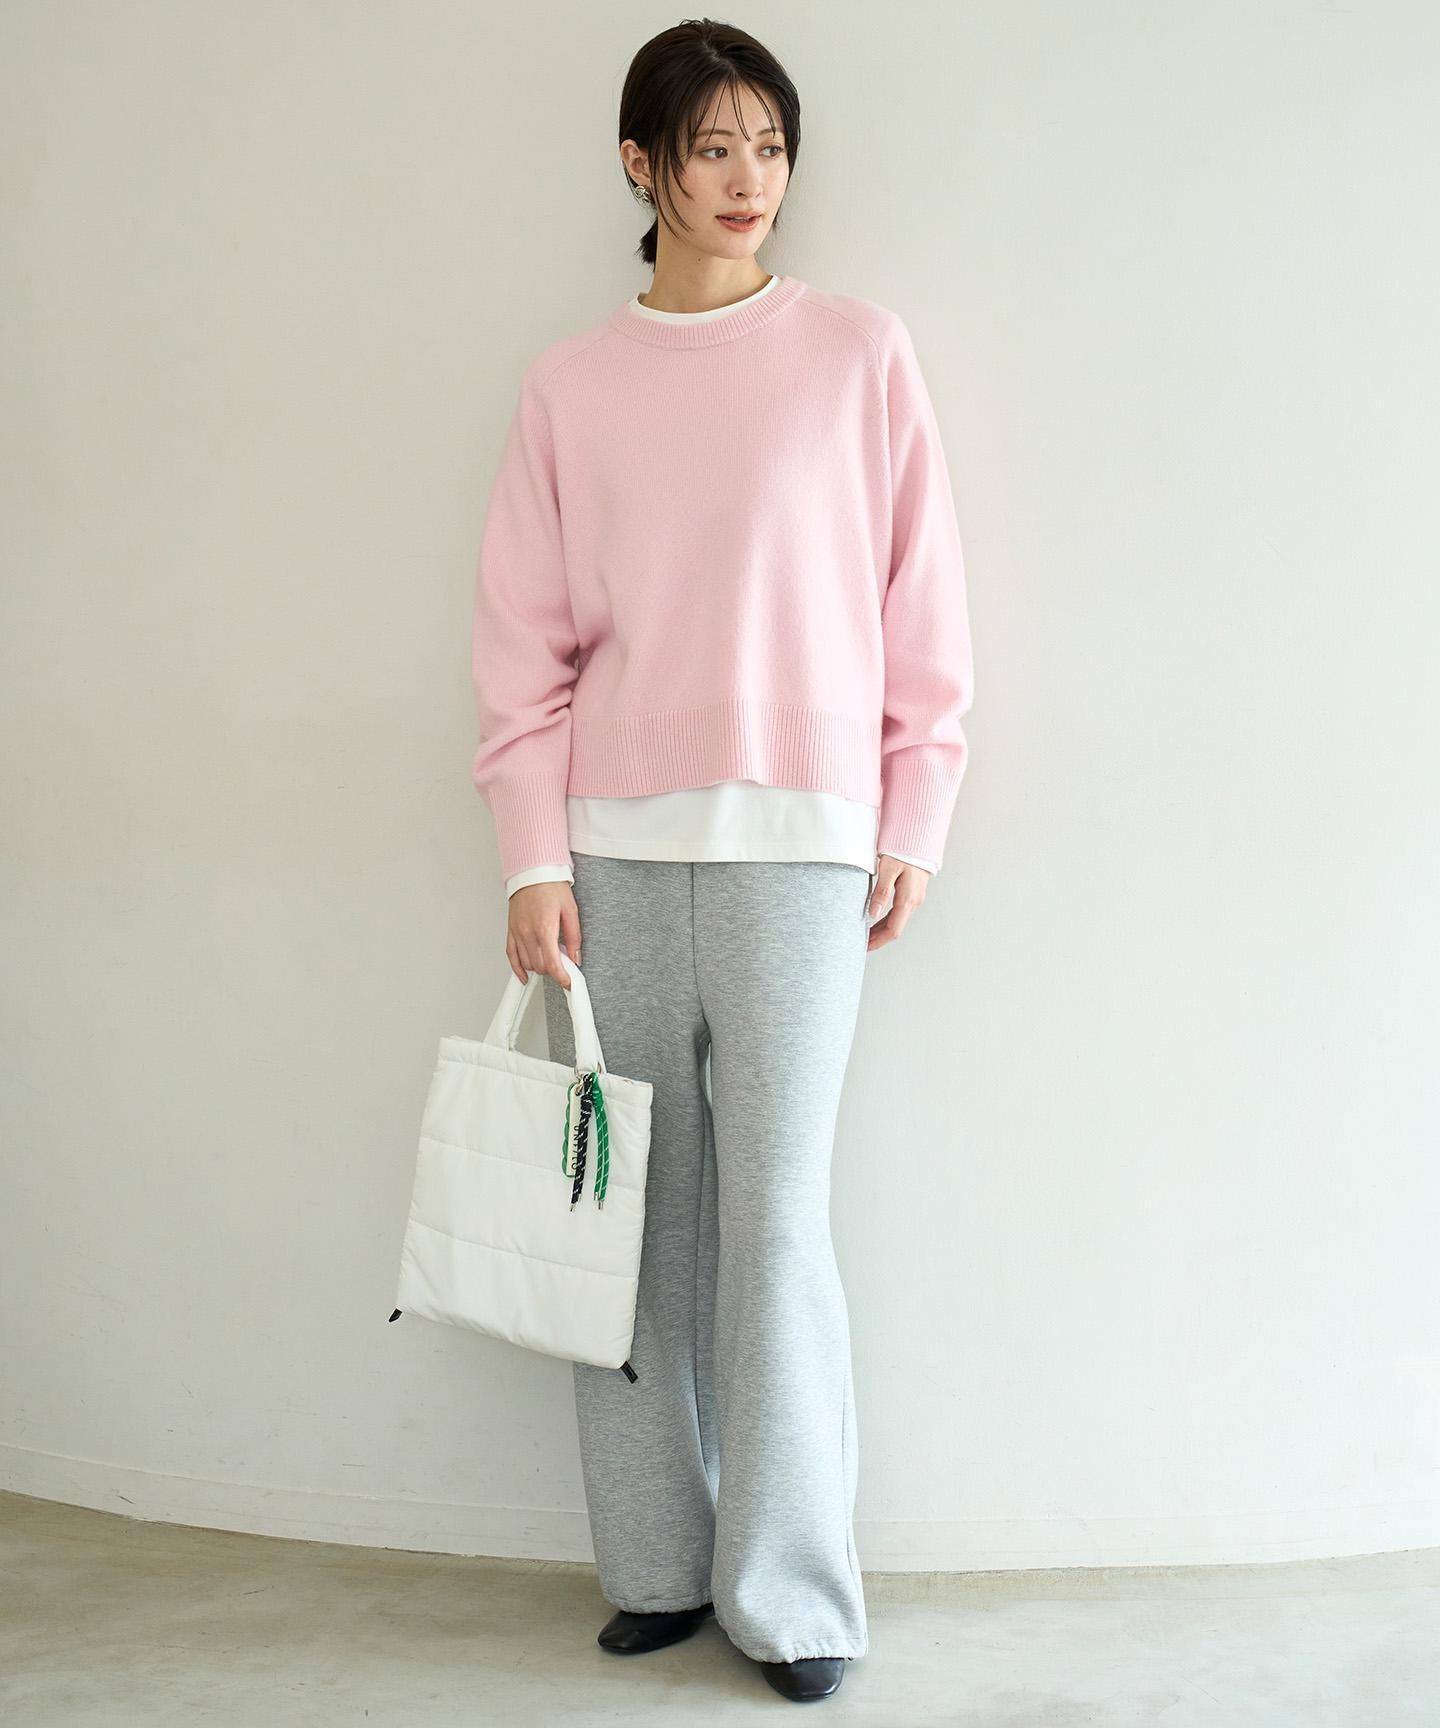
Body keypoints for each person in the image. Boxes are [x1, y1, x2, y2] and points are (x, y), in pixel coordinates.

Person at [469, 19, 974, 1706]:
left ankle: (794, 1595)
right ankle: (655, 1569)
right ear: (643, 167)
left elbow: (921, 605)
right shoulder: (571, 386)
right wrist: (531, 861)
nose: (748, 177)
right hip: (610, 861)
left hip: (798, 864)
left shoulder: (856, 355)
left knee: (772, 1233)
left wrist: (915, 813)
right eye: (710, 147)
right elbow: (523, 650)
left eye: (769, 143)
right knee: (623, 1227)